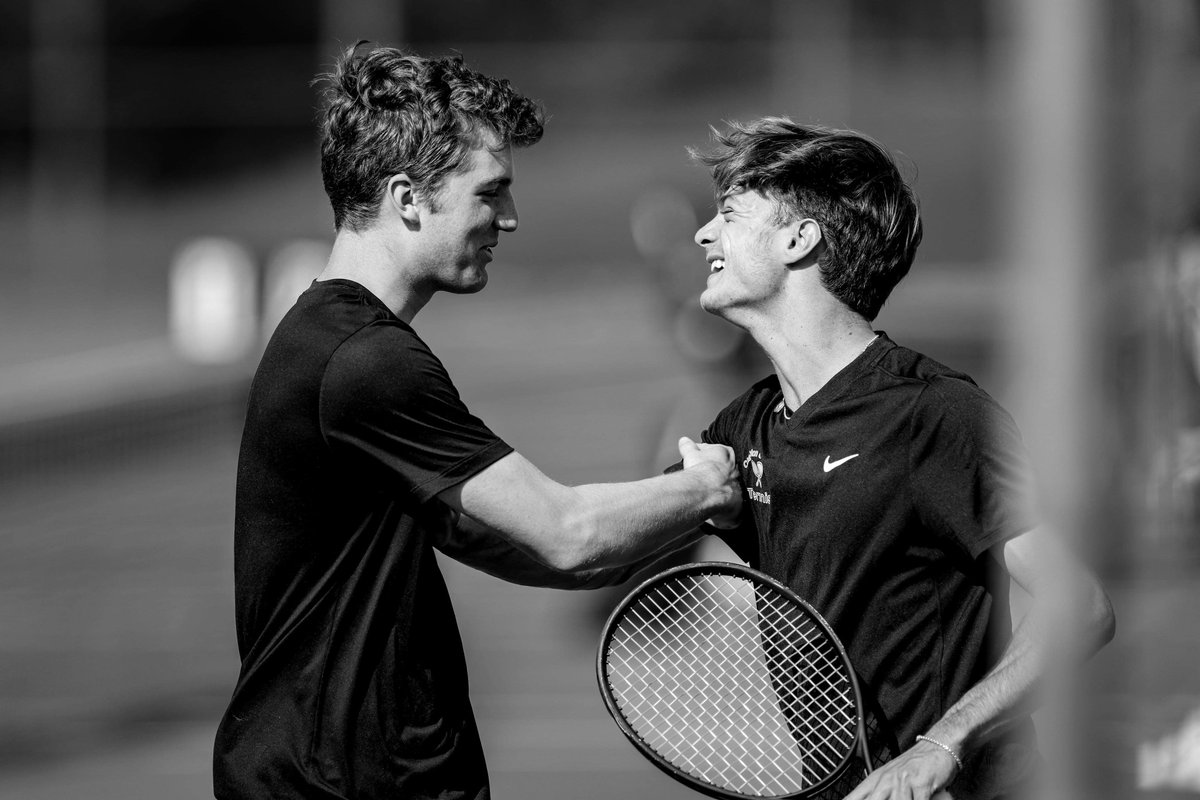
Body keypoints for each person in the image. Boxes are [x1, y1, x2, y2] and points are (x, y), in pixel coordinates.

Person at [211, 44, 740, 800]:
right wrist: (710, 489)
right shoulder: (365, 362)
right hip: (341, 786)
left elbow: (528, 546)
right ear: (408, 198)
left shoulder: (337, 339)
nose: (512, 219)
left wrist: (657, 520)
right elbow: (566, 533)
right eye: (490, 193)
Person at [682, 117, 1115, 800]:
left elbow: (1077, 604)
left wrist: (941, 746)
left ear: (800, 239)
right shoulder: (742, 428)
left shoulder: (933, 414)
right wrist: (682, 497)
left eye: (729, 215)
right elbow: (583, 553)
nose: (705, 235)